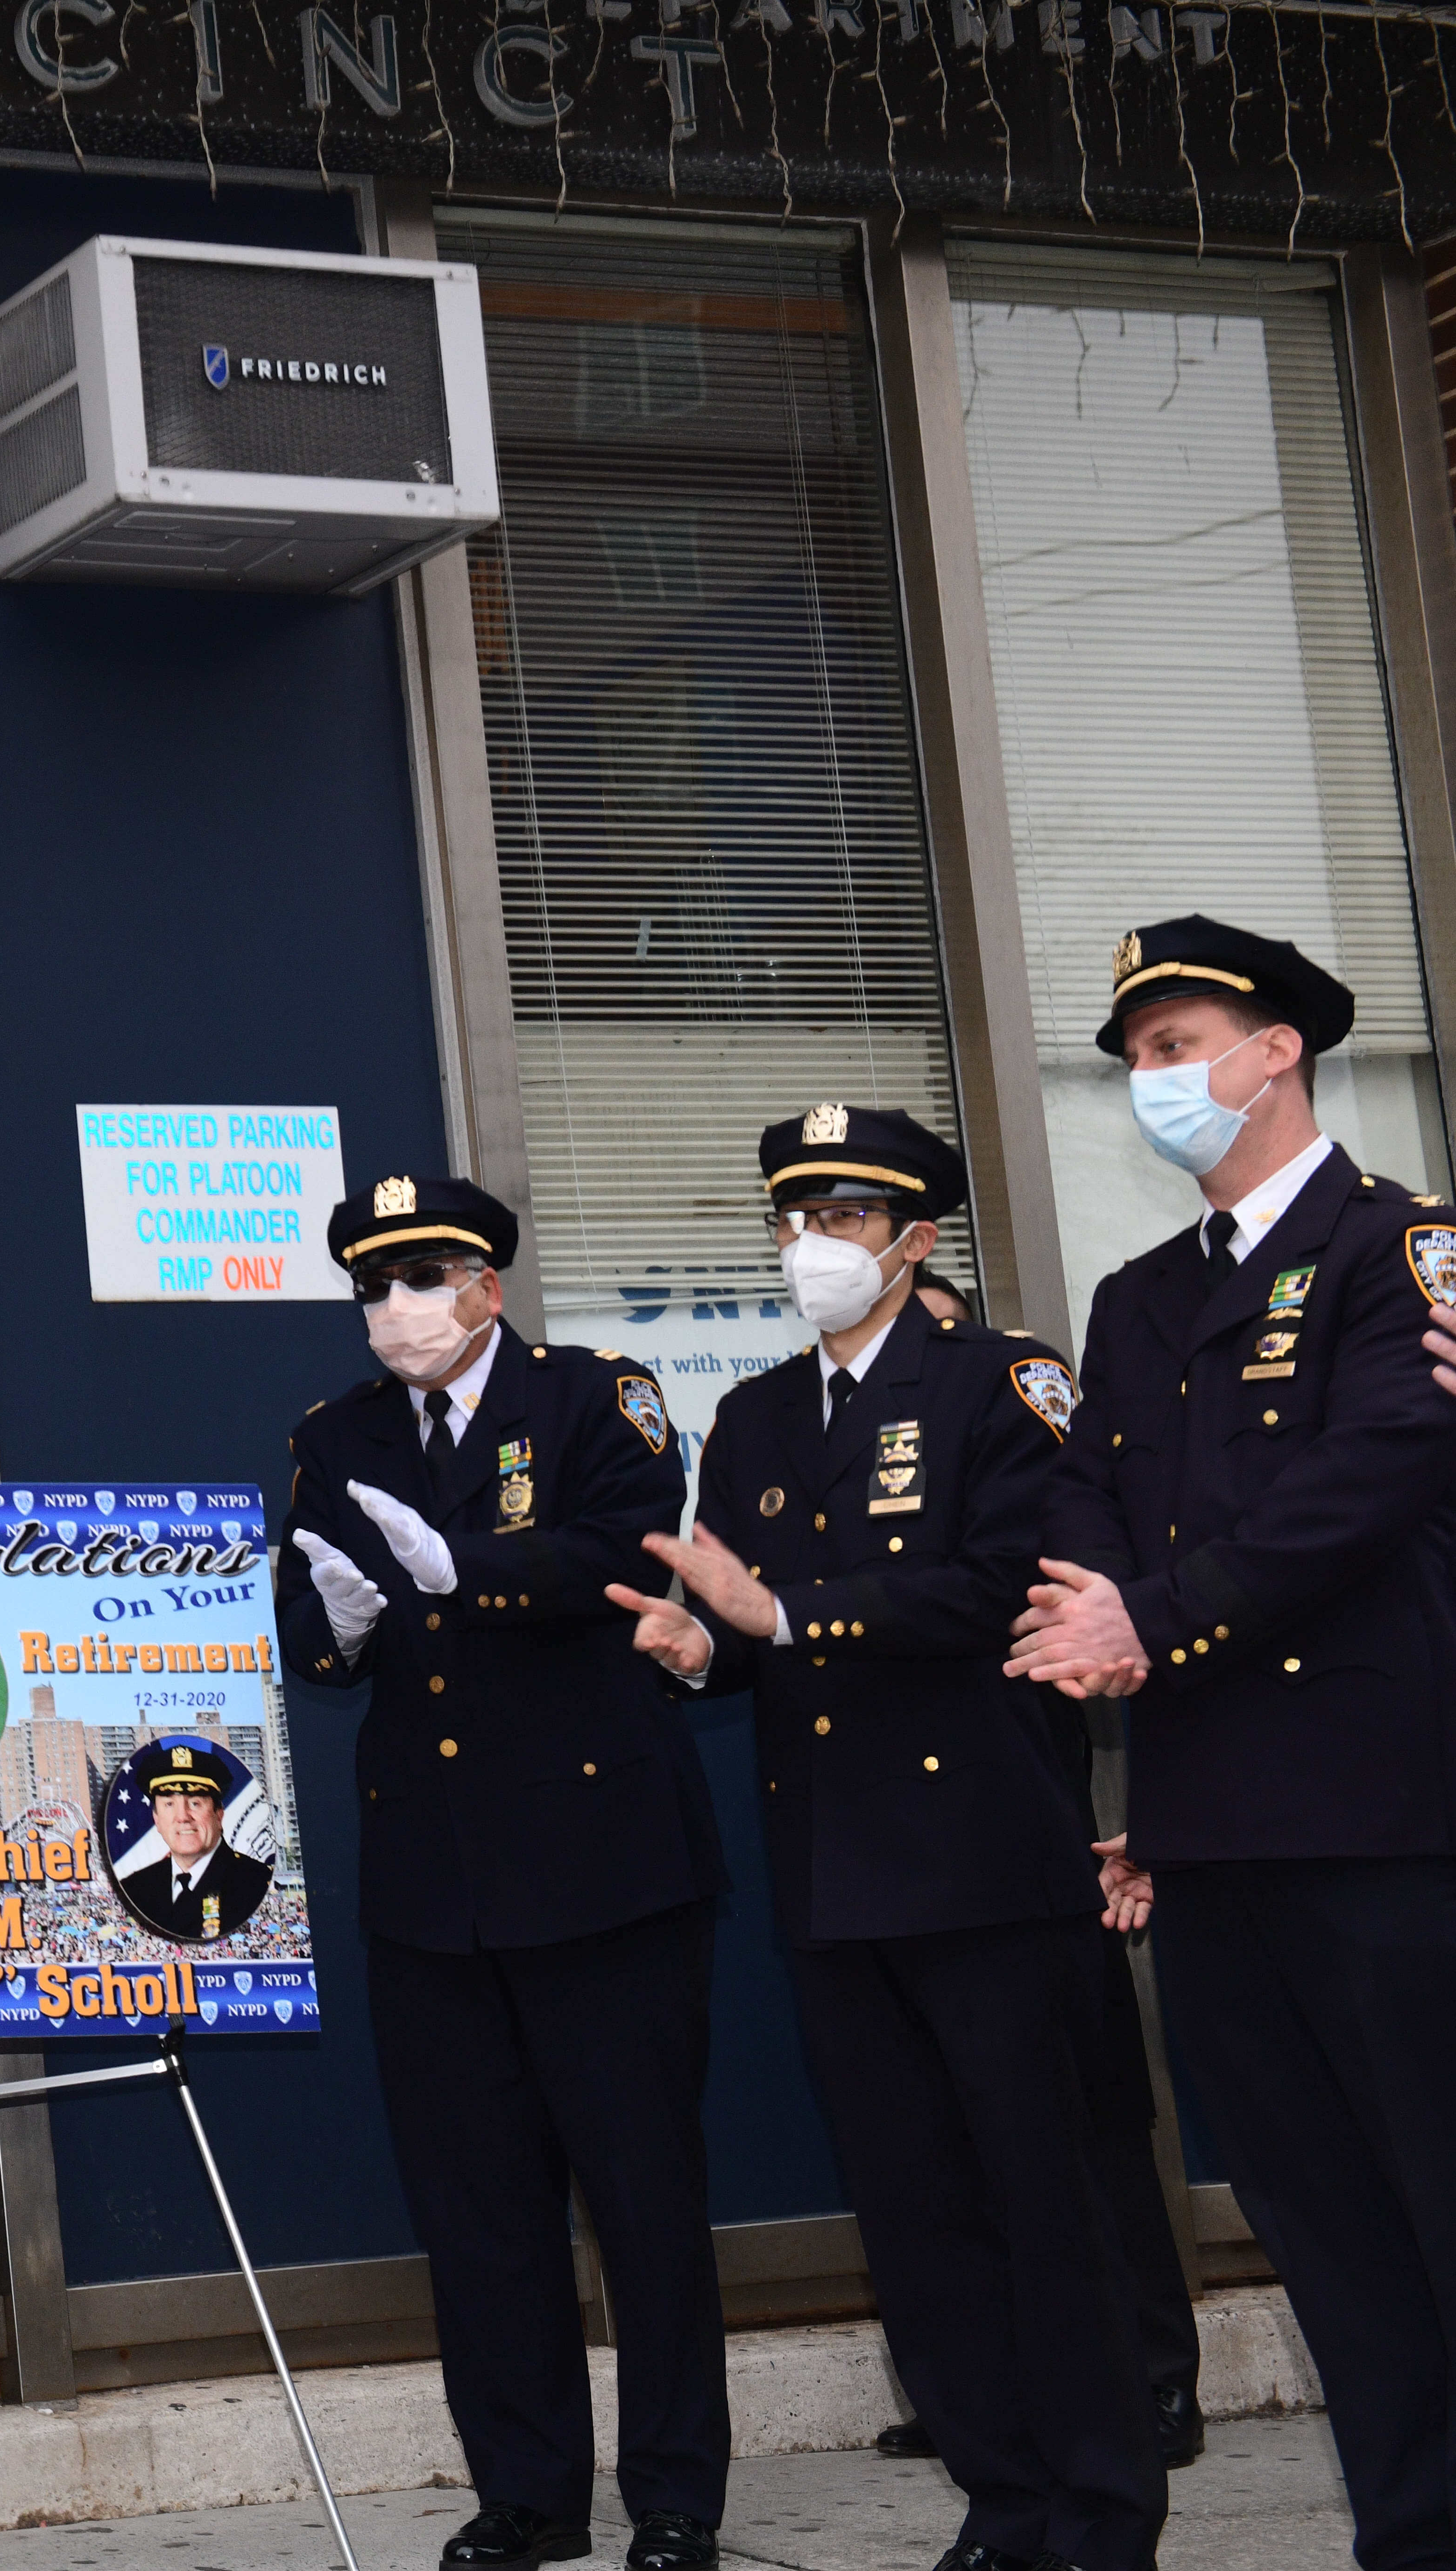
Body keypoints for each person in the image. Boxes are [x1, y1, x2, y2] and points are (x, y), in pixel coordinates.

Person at [612, 1108, 1159, 2571]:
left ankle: (1102, 2507)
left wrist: (786, 1617)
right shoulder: (757, 1418)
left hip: (985, 1859)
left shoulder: (1002, 1382)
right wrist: (692, 1651)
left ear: (917, 1238)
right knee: (915, 2213)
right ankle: (1002, 2494)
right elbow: (741, 1635)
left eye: (844, 1218)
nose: (811, 1246)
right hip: (833, 1871)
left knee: (1043, 2199)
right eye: (791, 1218)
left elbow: (1009, 1586)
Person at [1010, 916, 1456, 2571]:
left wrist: (1149, 1617)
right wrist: (1084, 1606)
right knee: (1318, 2228)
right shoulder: (1138, 1300)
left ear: (1277, 1049)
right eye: (1131, 1052)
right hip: (1209, 1831)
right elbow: (1083, 1498)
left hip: (1377, 1819)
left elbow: (1368, 1481)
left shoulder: (1396, 1246)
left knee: (1434, 2200)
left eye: (1178, 1039)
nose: (1152, 1077)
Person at [273, 1173, 724, 2571]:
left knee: (641, 2197)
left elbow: (626, 1545)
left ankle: (672, 2498)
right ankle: (527, 2491)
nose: (395, 1307)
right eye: (373, 1284)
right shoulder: (334, 1431)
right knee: (478, 2214)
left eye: (423, 1276)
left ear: (487, 1284)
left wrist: (463, 1565)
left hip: (600, 1865)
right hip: (432, 1878)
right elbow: (305, 1616)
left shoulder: (597, 1396)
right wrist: (338, 1624)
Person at [882, 1277, 1210, 2476]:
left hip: (1030, 1815)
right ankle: (992, 2385)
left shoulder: (1013, 1395)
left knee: (1089, 2132)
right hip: (906, 1840)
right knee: (958, 2150)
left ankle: (1154, 2377)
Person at [106, 1740, 270, 1943]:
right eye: (169, 1804)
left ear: (219, 1815)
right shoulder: (135, 1888)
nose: (183, 1817)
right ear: (156, 1820)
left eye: (195, 1803)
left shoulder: (257, 1882)